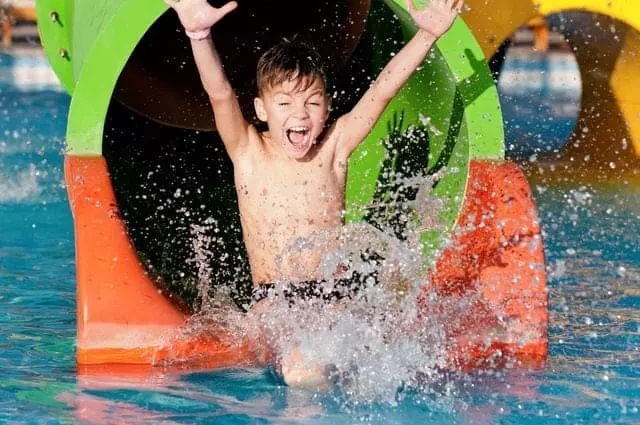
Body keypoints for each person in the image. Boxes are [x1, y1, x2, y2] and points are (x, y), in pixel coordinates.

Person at [165, 0, 464, 387]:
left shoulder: (335, 148)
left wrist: (427, 35)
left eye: (312, 102)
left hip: (334, 296)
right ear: (260, 108)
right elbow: (220, 94)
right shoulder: (248, 152)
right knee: (301, 367)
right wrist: (198, 35)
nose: (300, 114)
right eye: (285, 103)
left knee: (400, 354)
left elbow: (383, 91)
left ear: (327, 109)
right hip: (274, 301)